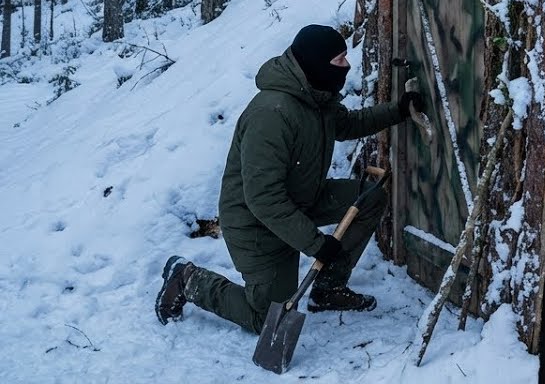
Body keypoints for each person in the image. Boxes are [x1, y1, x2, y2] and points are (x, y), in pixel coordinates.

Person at [153, 24, 424, 333]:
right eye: (339, 60)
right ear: (316, 63)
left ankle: (328, 289)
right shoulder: (273, 114)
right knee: (266, 318)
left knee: (370, 197)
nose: (347, 66)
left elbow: (347, 124)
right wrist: (314, 243)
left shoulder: (316, 98)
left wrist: (399, 110)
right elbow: (263, 199)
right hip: (256, 224)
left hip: (300, 202)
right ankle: (187, 279)